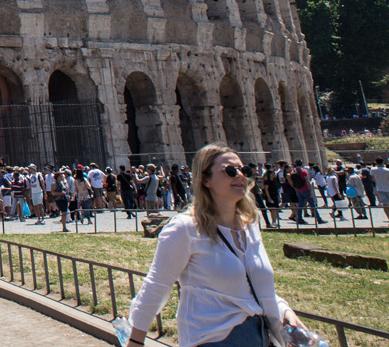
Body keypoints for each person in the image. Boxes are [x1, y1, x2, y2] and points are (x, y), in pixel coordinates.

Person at [125, 144, 305, 347]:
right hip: (213, 339)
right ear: (206, 180)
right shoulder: (185, 228)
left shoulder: (249, 225)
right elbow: (156, 287)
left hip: (261, 337)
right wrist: (135, 341)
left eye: (244, 170)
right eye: (229, 171)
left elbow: (255, 287)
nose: (240, 176)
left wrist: (284, 311)